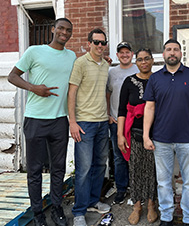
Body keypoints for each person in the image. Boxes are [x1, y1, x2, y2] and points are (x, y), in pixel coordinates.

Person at [7, 18, 75, 226]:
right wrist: (33, 88)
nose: (64, 32)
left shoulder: (71, 56)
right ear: (53, 29)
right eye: (61, 28)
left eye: (69, 30)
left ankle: (56, 208)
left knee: (58, 169)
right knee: (35, 170)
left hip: (59, 120)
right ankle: (37, 213)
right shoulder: (34, 51)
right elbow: (12, 76)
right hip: (36, 119)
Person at [143, 39, 189, 226]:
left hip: (187, 138)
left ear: (181, 53)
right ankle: (166, 217)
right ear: (163, 54)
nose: (172, 52)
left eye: (176, 50)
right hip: (161, 139)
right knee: (163, 182)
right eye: (168, 50)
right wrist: (146, 135)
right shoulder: (155, 78)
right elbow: (149, 108)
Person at [68, 28, 111, 226]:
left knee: (100, 165)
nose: (100, 46)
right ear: (89, 43)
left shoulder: (104, 65)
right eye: (96, 42)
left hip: (102, 122)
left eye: (103, 42)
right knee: (84, 169)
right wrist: (73, 122)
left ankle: (93, 201)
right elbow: (72, 92)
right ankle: (79, 212)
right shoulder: (80, 63)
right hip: (84, 123)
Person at [117, 48, 158, 225]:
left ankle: (151, 205)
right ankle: (137, 206)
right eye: (139, 59)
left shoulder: (159, 80)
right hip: (134, 133)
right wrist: (120, 134)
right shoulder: (129, 81)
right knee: (135, 170)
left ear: (152, 61)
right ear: (136, 61)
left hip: (157, 134)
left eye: (146, 59)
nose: (143, 62)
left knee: (152, 171)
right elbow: (121, 110)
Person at [106, 41, 139, 204]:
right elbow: (107, 93)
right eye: (121, 52)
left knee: (136, 156)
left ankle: (136, 187)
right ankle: (121, 188)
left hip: (136, 122)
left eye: (128, 52)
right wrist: (107, 113)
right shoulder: (111, 73)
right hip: (116, 121)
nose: (125, 55)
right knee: (119, 157)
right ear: (117, 55)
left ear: (132, 54)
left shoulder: (139, 69)